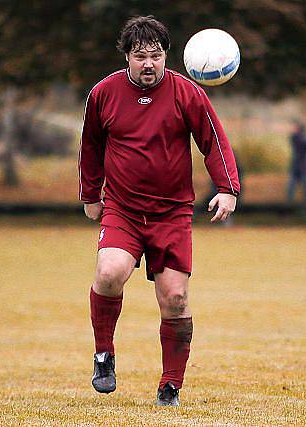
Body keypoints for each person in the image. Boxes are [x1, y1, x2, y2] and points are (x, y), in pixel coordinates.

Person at [78, 16, 240, 407]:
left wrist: (228, 189)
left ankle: (170, 385)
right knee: (109, 272)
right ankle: (104, 355)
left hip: (172, 214)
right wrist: (90, 194)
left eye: (156, 55)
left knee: (176, 300)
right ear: (127, 58)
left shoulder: (187, 93)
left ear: (166, 55)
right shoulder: (104, 93)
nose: (149, 64)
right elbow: (91, 146)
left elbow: (212, 140)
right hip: (122, 209)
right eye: (140, 56)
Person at [287, 122, 306, 206]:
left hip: (301, 164)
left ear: (299, 129)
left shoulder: (299, 137)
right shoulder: (297, 138)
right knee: (295, 182)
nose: (293, 129)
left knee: (303, 183)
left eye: (295, 128)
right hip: (299, 164)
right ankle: (292, 200)